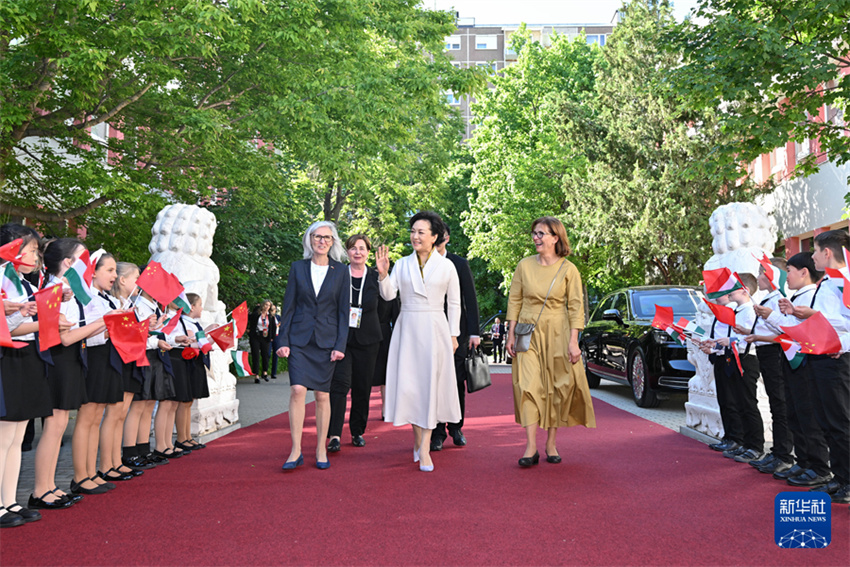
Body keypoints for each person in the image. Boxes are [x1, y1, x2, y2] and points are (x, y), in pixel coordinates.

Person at [505, 217, 595, 467]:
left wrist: (574, 341)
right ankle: (530, 447)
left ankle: (551, 443)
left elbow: (576, 307)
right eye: (534, 233)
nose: (536, 237)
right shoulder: (524, 266)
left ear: (556, 238)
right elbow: (515, 300)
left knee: (557, 387)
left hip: (559, 331)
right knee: (528, 385)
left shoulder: (569, 270)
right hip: (528, 331)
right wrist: (510, 334)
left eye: (541, 233)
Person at [375, 211, 461, 472]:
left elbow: (454, 303)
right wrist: (382, 274)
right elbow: (389, 295)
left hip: (436, 329)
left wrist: (454, 334)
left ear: (435, 237)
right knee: (411, 388)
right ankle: (418, 439)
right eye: (413, 231)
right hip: (408, 328)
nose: (415, 236)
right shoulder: (401, 264)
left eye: (421, 232)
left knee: (430, 387)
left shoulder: (447, 266)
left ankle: (425, 449)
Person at [32, 239, 108, 510]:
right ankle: (41, 489)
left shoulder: (71, 290)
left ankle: (50, 485)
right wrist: (102, 323)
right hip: (58, 359)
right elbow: (64, 338)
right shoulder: (55, 289)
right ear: (68, 263)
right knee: (53, 426)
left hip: (71, 358)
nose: (88, 265)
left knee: (61, 424)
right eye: (83, 258)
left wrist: (104, 324)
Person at [746, 252, 830, 481]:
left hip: (805, 358)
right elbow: (789, 328)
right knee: (794, 412)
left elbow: (795, 331)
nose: (787, 277)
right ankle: (803, 461)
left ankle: (818, 467)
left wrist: (773, 316)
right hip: (791, 357)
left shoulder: (811, 295)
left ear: (804, 272)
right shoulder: (798, 296)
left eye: (789, 272)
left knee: (806, 414)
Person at [275, 221, 350, 471]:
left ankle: (320, 448)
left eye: (327, 238)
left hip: (327, 341)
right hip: (299, 338)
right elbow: (289, 306)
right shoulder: (297, 268)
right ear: (310, 240)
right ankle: (295, 449)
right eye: (317, 237)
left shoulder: (341, 272)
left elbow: (343, 312)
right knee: (297, 389)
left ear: (333, 242)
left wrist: (341, 344)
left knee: (322, 395)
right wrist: (282, 340)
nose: (322, 241)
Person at [783, 230, 850, 503]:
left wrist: (813, 317)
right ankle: (839, 477)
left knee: (840, 421)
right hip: (820, 355)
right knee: (826, 421)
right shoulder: (828, 282)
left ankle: (847, 482)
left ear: (827, 252)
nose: (812, 256)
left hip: (837, 358)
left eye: (815, 251)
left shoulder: (844, 280)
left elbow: (843, 323)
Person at [0, 224, 50, 526]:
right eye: (32, 250)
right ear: (12, 249)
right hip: (7, 355)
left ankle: (10, 501)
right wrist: (22, 313)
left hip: (29, 354)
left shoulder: (24, 283)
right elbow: (10, 325)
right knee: (4, 435)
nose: (36, 256)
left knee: (18, 435)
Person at [328, 234, 383, 452]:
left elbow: (387, 302)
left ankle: (357, 431)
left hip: (368, 339)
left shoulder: (376, 275)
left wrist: (385, 274)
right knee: (339, 385)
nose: (357, 252)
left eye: (362, 248)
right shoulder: (338, 273)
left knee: (362, 387)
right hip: (342, 338)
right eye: (353, 248)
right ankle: (334, 434)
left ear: (368, 252)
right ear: (347, 252)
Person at [741, 258, 794, 474]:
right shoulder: (770, 298)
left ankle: (784, 454)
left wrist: (760, 335)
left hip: (775, 353)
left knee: (780, 405)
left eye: (763, 273)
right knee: (775, 403)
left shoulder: (779, 299)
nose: (759, 278)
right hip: (765, 352)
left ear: (773, 275)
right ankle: (778, 450)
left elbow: (785, 333)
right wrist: (750, 334)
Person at [432, 225, 480, 452]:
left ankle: (456, 427)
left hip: (456, 334)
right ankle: (437, 432)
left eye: (439, 236)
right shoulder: (422, 263)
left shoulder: (459, 264)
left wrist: (474, 333)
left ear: (446, 238)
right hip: (430, 331)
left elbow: (470, 300)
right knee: (434, 381)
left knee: (456, 381)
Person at [249, 300, 277, 383]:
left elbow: (273, 328)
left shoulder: (271, 317)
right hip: (256, 336)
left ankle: (264, 372)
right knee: (255, 355)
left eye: (268, 305)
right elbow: (249, 320)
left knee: (266, 355)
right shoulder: (256, 314)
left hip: (266, 337)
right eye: (265, 305)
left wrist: (272, 337)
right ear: (262, 305)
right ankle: (256, 375)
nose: (266, 307)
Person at [269, 304, 281, 378]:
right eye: (272, 309)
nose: (273, 310)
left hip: (277, 336)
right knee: (268, 354)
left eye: (274, 309)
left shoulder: (278, 317)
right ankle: (265, 371)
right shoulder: (268, 317)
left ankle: (274, 373)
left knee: (275, 355)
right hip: (270, 337)